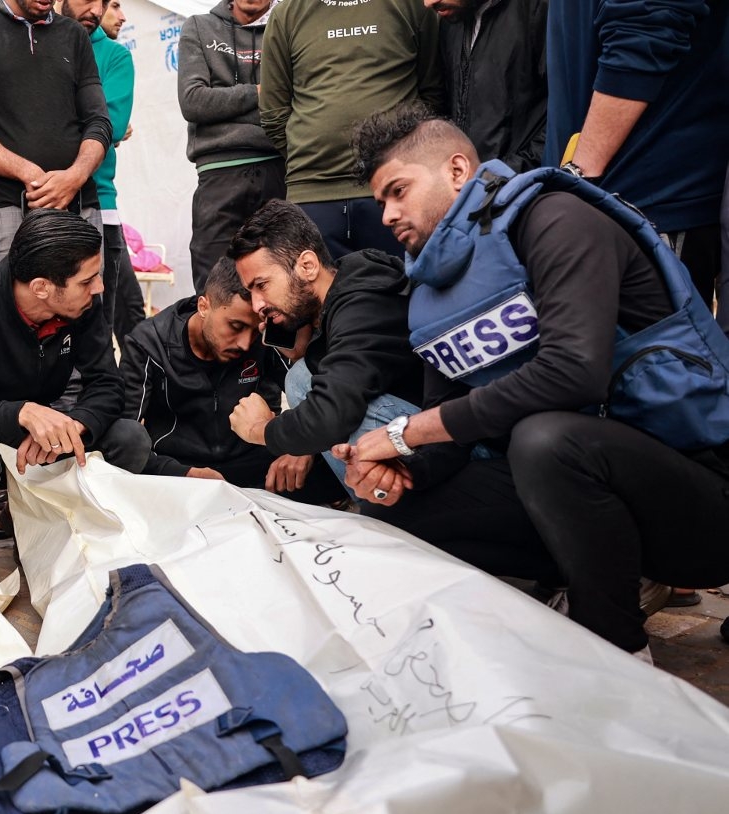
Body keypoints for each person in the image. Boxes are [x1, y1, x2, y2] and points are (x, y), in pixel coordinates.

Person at [343, 104, 729, 660]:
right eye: (381, 201)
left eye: (398, 191)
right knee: (394, 510)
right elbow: (449, 436)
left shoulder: (555, 218)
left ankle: (616, 650)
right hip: (584, 499)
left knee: (545, 439)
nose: (386, 215)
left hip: (702, 497)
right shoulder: (435, 291)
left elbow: (575, 373)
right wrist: (401, 468)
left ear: (457, 170)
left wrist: (406, 432)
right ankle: (572, 594)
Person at [0, 210, 148, 563]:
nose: (98, 288)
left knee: (130, 438)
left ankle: (43, 511)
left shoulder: (83, 305)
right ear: (42, 287)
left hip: (35, 432)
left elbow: (107, 384)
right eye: (87, 281)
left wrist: (75, 425)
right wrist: (19, 414)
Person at [225, 200, 428, 487]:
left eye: (262, 285)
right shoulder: (334, 299)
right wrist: (304, 352)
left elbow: (330, 416)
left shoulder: (364, 300)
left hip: (451, 448)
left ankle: (398, 508)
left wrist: (261, 429)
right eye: (251, 291)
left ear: (307, 265)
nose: (257, 304)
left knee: (308, 391)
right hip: (412, 427)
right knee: (301, 376)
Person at [546, 0, 727, 308]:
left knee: (646, 354)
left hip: (644, 207)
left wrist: (578, 176)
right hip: (602, 200)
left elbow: (646, 25)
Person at [120, 258, 346, 503]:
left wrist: (303, 447)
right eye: (235, 326)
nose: (245, 343)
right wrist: (181, 473)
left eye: (254, 329)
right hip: (181, 473)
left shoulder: (264, 338)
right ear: (204, 306)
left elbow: (313, 393)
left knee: (341, 457)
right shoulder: (148, 344)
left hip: (257, 468)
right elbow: (123, 435)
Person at [258, 0, 442, 258]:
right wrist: (312, 154)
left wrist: (403, 164)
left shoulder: (413, 5)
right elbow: (273, 113)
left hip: (397, 187)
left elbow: (434, 94)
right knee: (322, 297)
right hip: (312, 192)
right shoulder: (286, 13)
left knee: (405, 293)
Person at [0, 0, 113, 266]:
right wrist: (30, 174)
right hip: (3, 208)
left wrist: (74, 177)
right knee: (7, 305)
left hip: (78, 204)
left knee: (83, 306)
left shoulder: (74, 34)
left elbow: (99, 121)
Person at [178, 0, 284, 293]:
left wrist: (225, 104)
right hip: (218, 173)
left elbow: (294, 100)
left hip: (280, 167)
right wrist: (260, 93)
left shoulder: (289, 24)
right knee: (215, 289)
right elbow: (193, 101)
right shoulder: (199, 26)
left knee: (281, 289)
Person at [75, 0, 144, 344]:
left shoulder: (114, 55)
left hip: (99, 202)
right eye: (114, 4)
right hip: (34, 195)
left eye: (107, 4)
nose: (114, 13)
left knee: (103, 318)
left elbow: (110, 126)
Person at [430, 0, 547, 172]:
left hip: (526, 188)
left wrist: (506, 175)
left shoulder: (538, 8)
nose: (427, 3)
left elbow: (568, 113)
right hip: (473, 188)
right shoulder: (452, 19)